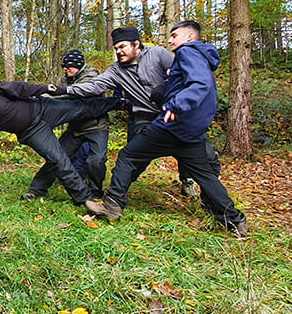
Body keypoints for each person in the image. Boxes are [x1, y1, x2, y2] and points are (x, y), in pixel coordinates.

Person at [90, 21, 249, 237]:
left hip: (172, 126)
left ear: (190, 37)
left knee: (128, 155)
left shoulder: (187, 52)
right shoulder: (200, 56)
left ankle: (113, 204)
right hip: (191, 131)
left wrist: (175, 104)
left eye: (175, 35)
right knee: (206, 176)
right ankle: (235, 220)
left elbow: (199, 85)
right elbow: (188, 84)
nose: (171, 40)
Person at [0, 81, 121, 212]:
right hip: (31, 132)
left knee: (81, 108)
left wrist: (48, 88)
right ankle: (86, 199)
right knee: (57, 159)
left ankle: (120, 102)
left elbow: (21, 88)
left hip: (43, 108)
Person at [58, 27, 197, 197]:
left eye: (122, 46)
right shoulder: (116, 70)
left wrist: (168, 92)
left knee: (191, 153)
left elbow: (180, 75)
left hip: (172, 113)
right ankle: (118, 193)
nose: (118, 51)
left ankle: (189, 182)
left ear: (136, 44)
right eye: (116, 48)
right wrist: (62, 90)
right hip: (142, 118)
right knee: (132, 157)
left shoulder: (158, 54)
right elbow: (94, 85)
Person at [25, 49, 111, 200]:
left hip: (96, 126)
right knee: (56, 157)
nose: (66, 69)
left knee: (96, 160)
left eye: (69, 66)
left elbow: (73, 94)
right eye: (64, 66)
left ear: (79, 65)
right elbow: (56, 97)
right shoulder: (65, 79)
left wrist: (51, 94)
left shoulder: (92, 76)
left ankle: (96, 193)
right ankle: (36, 190)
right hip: (75, 128)